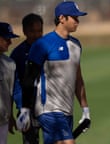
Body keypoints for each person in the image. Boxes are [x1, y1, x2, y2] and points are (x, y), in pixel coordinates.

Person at [16, 1, 91, 144]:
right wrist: (25, 109)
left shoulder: (76, 45)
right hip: (48, 109)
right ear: (62, 18)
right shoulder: (42, 44)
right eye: (74, 17)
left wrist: (85, 109)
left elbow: (78, 79)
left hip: (67, 110)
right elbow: (29, 77)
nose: (77, 21)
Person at [10, 13, 43, 144]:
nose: (36, 35)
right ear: (24, 31)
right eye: (32, 31)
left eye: (39, 31)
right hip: (28, 109)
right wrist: (22, 107)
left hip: (49, 107)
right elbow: (14, 84)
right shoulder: (17, 54)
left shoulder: (49, 49)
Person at [0, 22, 19, 144]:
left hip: (2, 122)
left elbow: (11, 92)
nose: (10, 42)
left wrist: (11, 116)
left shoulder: (10, 64)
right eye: (6, 39)